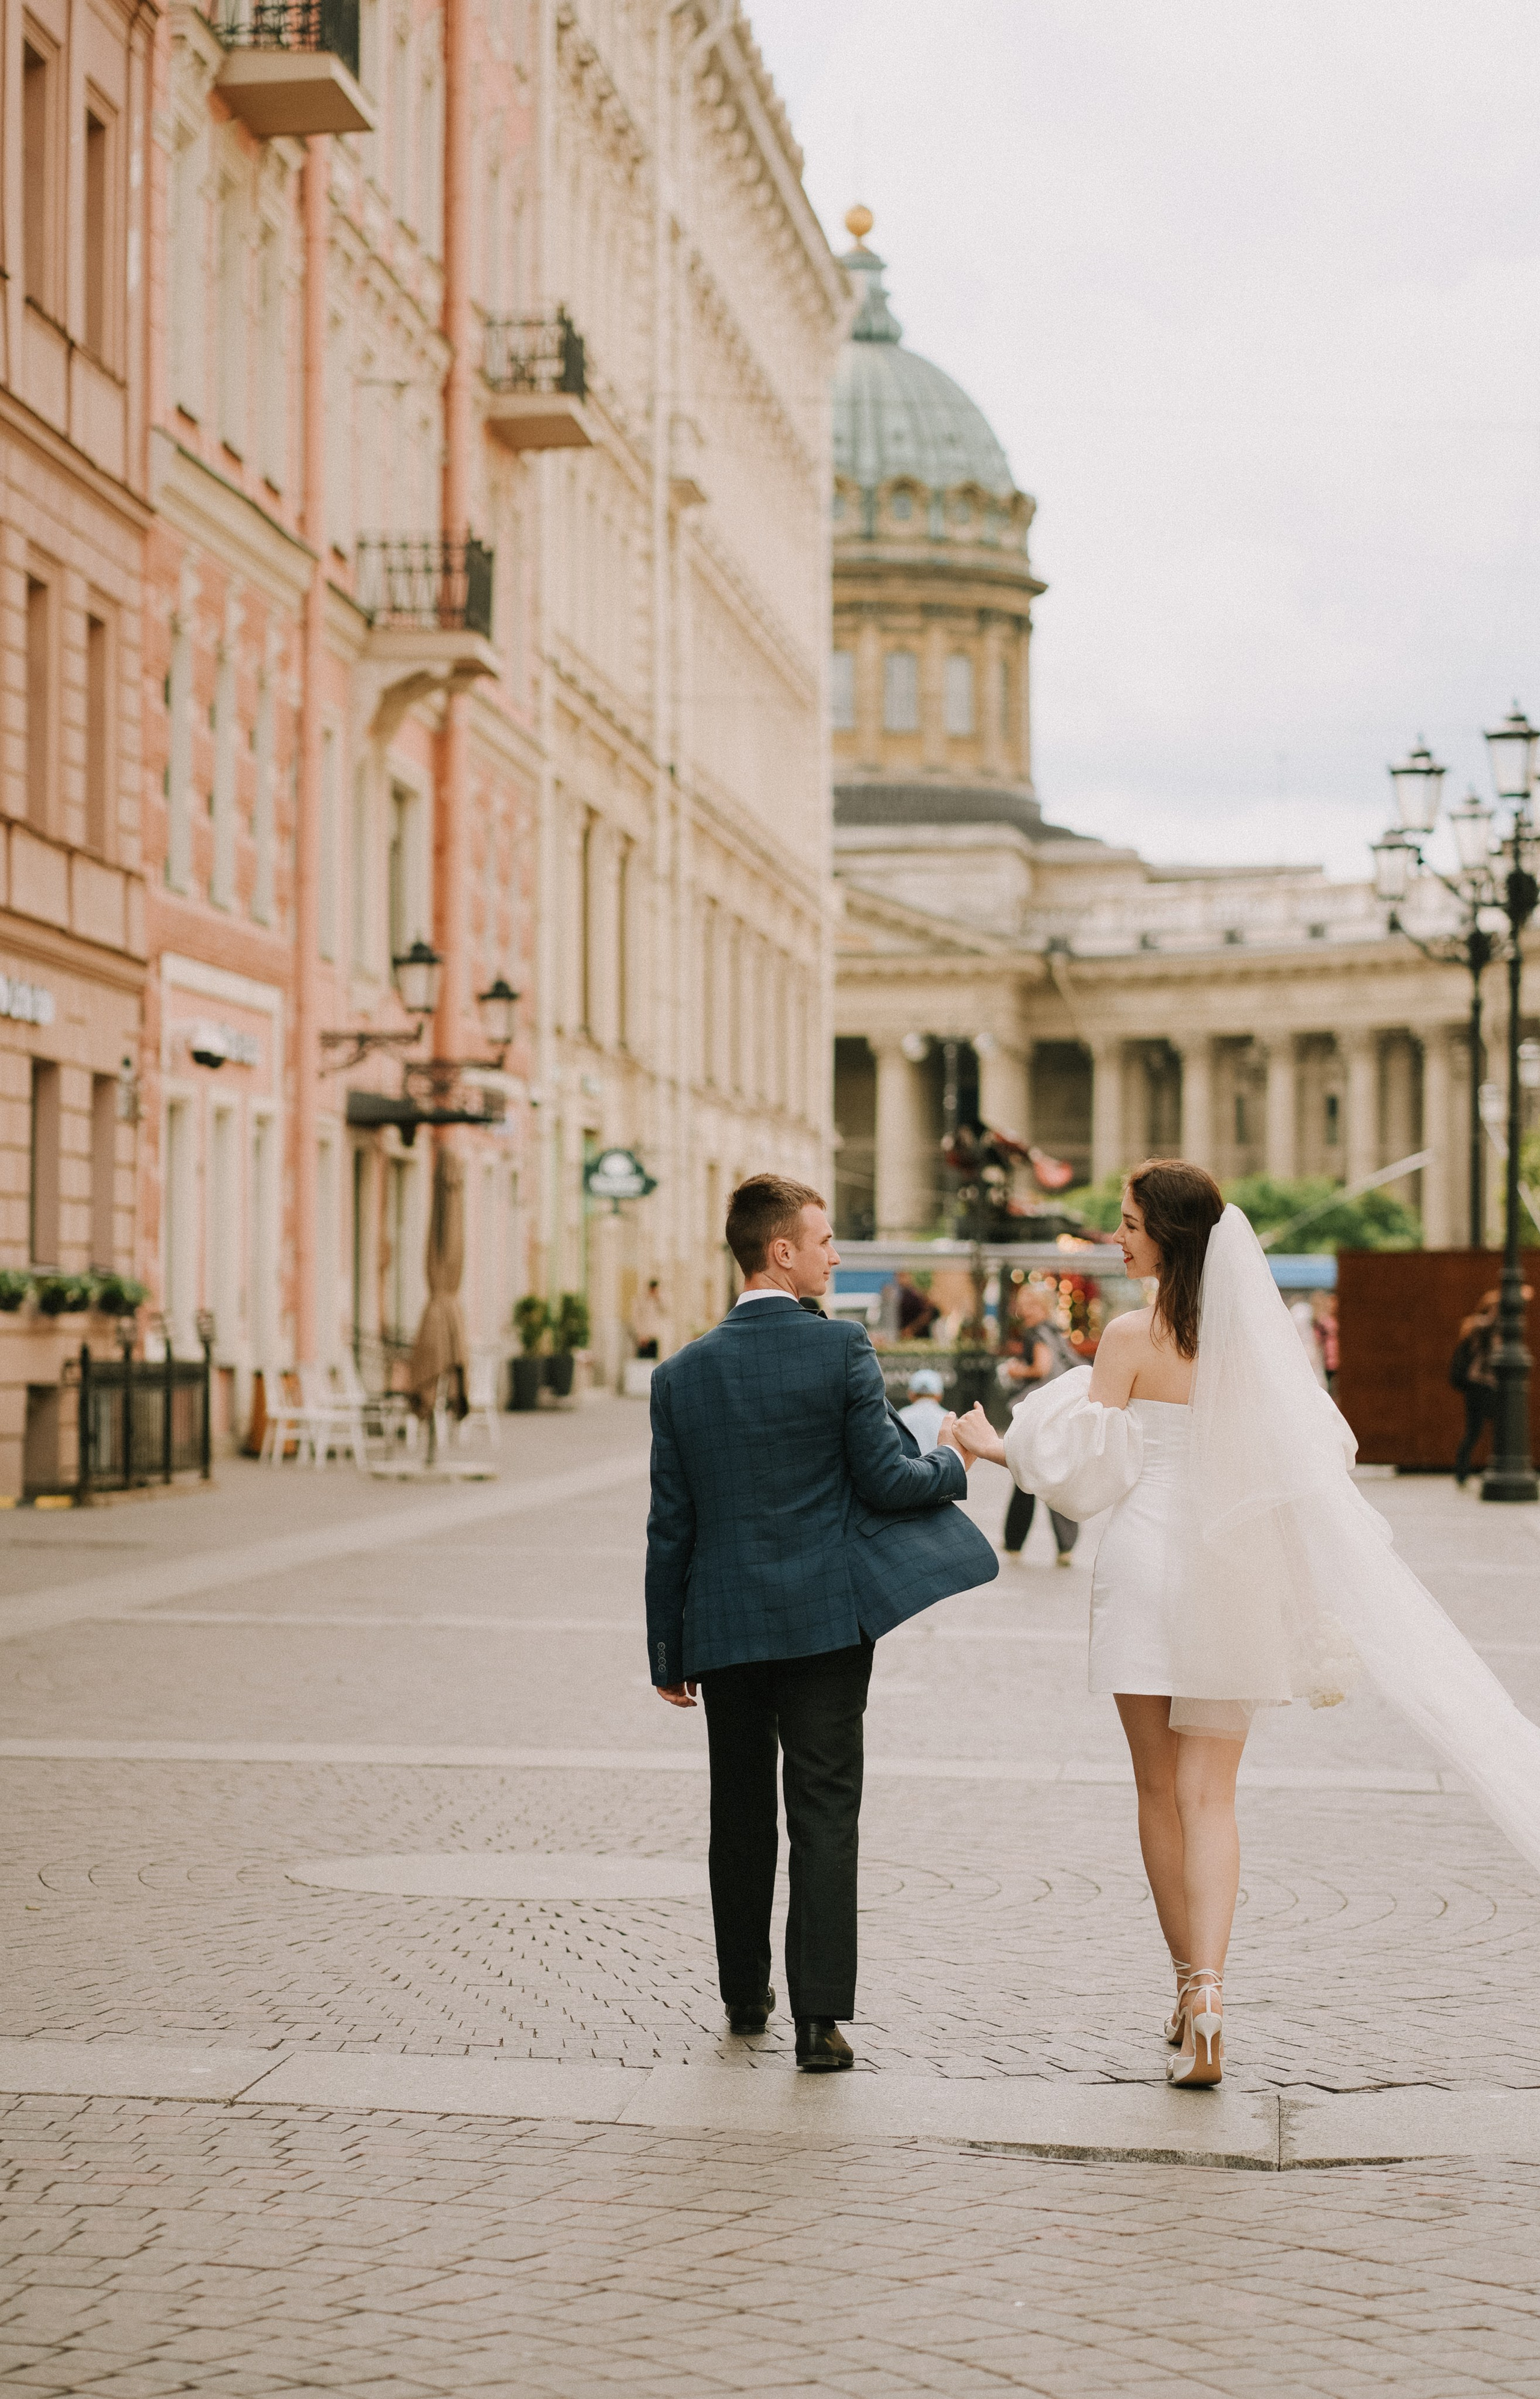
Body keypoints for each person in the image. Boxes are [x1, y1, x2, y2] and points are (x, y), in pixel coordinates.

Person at [952, 1156, 1540, 2089]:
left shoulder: (1130, 1338)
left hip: (1146, 1568)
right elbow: (1310, 1461)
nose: (1117, 1234)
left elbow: (1088, 1476)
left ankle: (1187, 1991)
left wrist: (998, 1451)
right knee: (1212, 1798)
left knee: (1156, 1793)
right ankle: (1216, 1995)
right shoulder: (1259, 1354)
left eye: (1130, 1222)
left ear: (1167, 1239)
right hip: (1232, 1574)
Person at [645, 1174, 997, 2072]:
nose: (836, 1255)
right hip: (828, 1625)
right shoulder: (840, 1351)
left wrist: (665, 1649)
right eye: (825, 1239)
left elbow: (671, 1523)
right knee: (825, 1811)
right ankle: (819, 2024)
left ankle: (742, 1992)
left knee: (739, 1812)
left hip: (722, 1628)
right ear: (782, 1252)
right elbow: (887, 1479)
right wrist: (951, 1460)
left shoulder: (680, 1375)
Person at [999, 1290, 1079, 1566]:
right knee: (1055, 1473)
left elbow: (1041, 1368)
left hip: (1037, 1413)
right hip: (1060, 1410)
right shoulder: (1056, 1332)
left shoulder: (1035, 1333)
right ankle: (1066, 1546)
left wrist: (1015, 1370)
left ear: (1043, 1306)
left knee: (1026, 1474)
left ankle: (1014, 1543)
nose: (1025, 1311)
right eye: (1023, 1306)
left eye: (1031, 1305)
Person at [1451, 1291, 1500, 1487]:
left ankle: (1467, 1471)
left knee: (1485, 1429)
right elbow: (1491, 1323)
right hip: (1480, 1385)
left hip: (1487, 1385)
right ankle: (1462, 1471)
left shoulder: (1489, 1327)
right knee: (1476, 1430)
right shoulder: (1479, 1324)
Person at [897, 1368, 947, 1452]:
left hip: (910, 1464)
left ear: (911, 1394)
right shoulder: (950, 1419)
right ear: (939, 1395)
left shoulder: (901, 1417)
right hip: (942, 1465)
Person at [893, 1267, 939, 1341]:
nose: (899, 1280)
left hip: (920, 1337)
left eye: (902, 1276)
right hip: (907, 1337)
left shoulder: (915, 1295)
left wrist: (911, 1329)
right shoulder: (901, 1294)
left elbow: (927, 1315)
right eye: (898, 1276)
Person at [631, 1278, 664, 1361]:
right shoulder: (640, 1300)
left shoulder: (657, 1300)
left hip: (654, 1336)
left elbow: (665, 1311)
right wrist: (640, 1335)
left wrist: (658, 1299)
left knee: (653, 1361)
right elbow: (636, 1319)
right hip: (643, 1337)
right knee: (643, 1362)